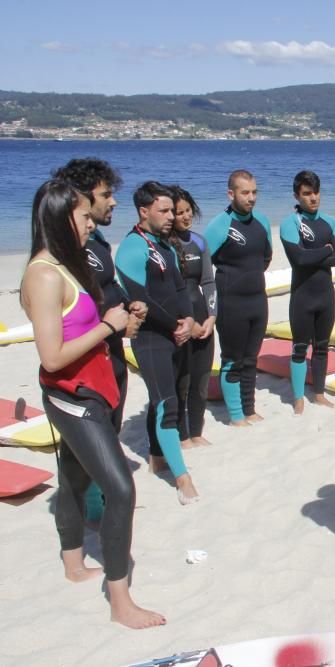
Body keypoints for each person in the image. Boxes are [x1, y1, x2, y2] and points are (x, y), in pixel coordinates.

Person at [21, 179, 165, 629]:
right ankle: (121, 603)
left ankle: (71, 561)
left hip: (96, 388)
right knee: (120, 489)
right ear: (63, 219)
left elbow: (85, 329)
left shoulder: (68, 264)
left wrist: (123, 324)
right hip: (71, 397)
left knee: (76, 477)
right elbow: (51, 356)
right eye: (84, 217)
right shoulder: (43, 275)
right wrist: (107, 327)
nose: (91, 223)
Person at [51, 158, 146, 522]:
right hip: (84, 367)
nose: (114, 202)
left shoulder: (98, 240)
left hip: (111, 356)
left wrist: (128, 309)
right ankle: (90, 515)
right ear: (81, 197)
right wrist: (109, 325)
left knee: (111, 431)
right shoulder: (62, 249)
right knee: (83, 451)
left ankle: (99, 507)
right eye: (107, 194)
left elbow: (105, 288)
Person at [115, 181, 198, 504]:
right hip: (151, 339)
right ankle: (183, 478)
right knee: (168, 404)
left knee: (165, 398)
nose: (170, 216)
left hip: (176, 334)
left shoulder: (164, 245)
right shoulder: (132, 247)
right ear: (143, 211)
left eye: (171, 210)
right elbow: (140, 296)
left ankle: (156, 456)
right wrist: (174, 325)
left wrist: (188, 319)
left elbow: (181, 288)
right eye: (163, 211)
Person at [204, 169, 272, 426]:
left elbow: (265, 257)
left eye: (254, 192)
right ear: (231, 193)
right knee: (232, 359)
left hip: (257, 300)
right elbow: (202, 265)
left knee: (251, 358)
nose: (251, 198)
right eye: (245, 193)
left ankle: (249, 407)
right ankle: (235, 415)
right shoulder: (220, 225)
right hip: (231, 303)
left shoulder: (262, 222)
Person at [279, 170, 335, 414]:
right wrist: (326, 249)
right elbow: (298, 259)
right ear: (297, 196)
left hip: (326, 296)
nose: (313, 198)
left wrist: (317, 254)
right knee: (299, 348)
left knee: (322, 347)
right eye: (307, 194)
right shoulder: (290, 223)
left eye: (316, 192)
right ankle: (298, 398)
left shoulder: (328, 222)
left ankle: (318, 393)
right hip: (302, 296)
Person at [166, 186, 215, 447]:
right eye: (179, 212)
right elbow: (169, 291)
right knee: (181, 381)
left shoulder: (199, 241)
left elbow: (208, 281)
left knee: (201, 379)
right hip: (180, 321)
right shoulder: (164, 247)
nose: (185, 217)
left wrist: (212, 316)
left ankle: (196, 431)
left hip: (202, 317)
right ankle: (181, 435)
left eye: (188, 211)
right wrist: (188, 323)